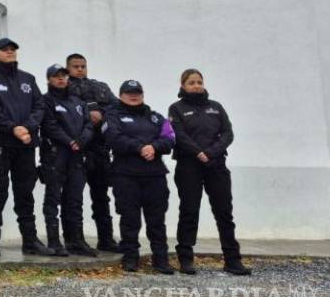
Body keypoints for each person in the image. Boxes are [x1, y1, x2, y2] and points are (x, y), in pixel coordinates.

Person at [168, 69, 250, 275]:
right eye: (191, 82)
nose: (196, 86)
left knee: (224, 213)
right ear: (183, 85)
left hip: (216, 164)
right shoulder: (176, 108)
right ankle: (186, 259)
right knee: (189, 211)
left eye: (199, 82)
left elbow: (228, 133)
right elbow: (179, 135)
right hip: (189, 166)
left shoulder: (216, 107)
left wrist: (211, 153)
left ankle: (232, 260)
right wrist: (198, 152)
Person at [0, 37, 54, 256]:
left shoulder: (28, 79)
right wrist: (13, 128)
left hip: (25, 145)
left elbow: (39, 106)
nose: (9, 52)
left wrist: (27, 127)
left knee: (25, 194)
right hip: (0, 144)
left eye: (12, 49)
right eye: (4, 49)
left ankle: (30, 241)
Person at [105, 79, 175, 273]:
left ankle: (161, 259)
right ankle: (130, 258)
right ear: (121, 96)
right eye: (129, 93)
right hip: (126, 175)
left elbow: (170, 138)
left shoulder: (156, 117)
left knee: (157, 221)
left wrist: (154, 147)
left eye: (137, 92)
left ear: (142, 95)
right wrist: (140, 147)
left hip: (155, 176)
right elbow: (113, 138)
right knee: (130, 219)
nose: (133, 96)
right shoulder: (112, 116)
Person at [66, 53, 121, 252]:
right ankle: (75, 240)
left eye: (83, 66)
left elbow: (116, 108)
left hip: (100, 148)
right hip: (77, 149)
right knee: (74, 197)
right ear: (68, 68)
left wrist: (102, 114)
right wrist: (88, 115)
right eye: (75, 66)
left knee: (101, 197)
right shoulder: (64, 88)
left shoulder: (100, 87)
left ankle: (106, 239)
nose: (80, 69)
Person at [40, 64, 97, 257]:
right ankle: (54, 241)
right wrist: (69, 141)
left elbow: (89, 124)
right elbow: (49, 125)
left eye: (63, 75)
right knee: (53, 199)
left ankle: (75, 241)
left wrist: (81, 141)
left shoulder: (78, 101)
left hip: (77, 156)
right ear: (49, 79)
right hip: (55, 155)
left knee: (74, 199)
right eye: (56, 76)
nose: (61, 79)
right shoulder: (46, 100)